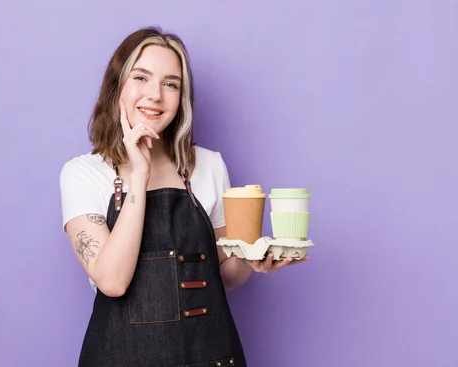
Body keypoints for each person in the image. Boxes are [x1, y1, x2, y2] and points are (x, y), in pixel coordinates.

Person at [60, 26, 307, 367]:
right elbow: (113, 281)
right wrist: (141, 172)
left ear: (182, 97)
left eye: (171, 84)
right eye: (141, 78)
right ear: (117, 86)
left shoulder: (209, 165)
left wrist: (251, 260)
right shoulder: (83, 174)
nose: (156, 95)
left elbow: (223, 275)